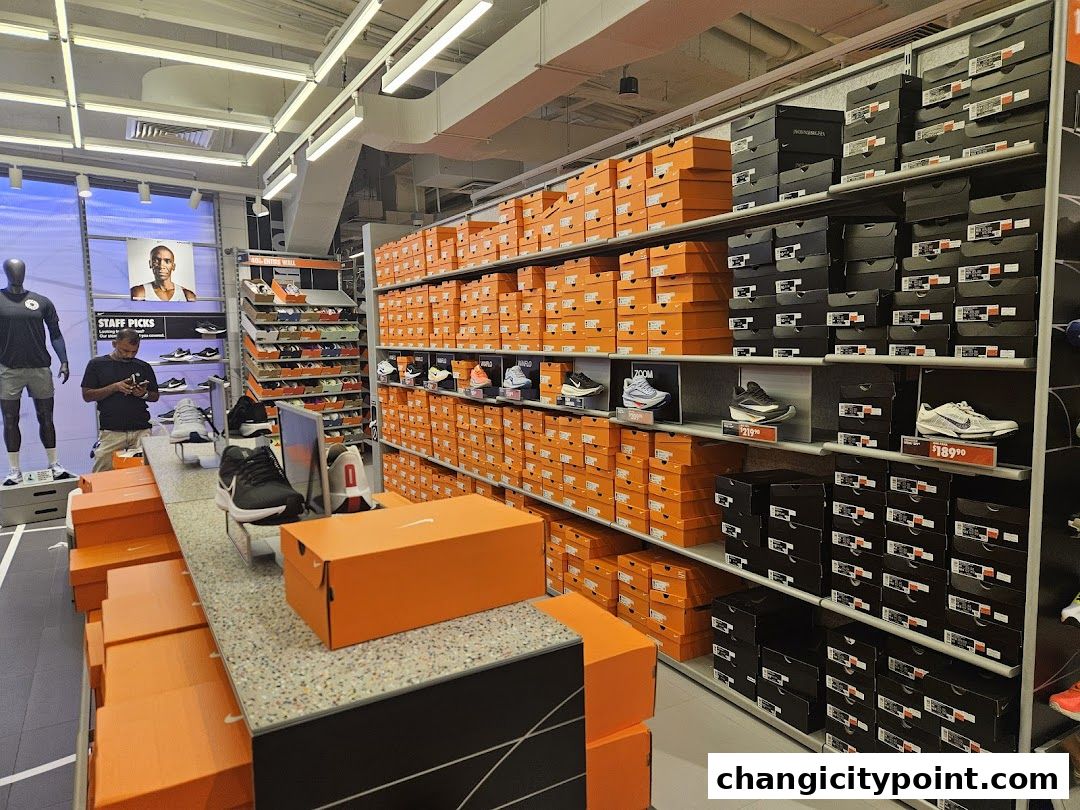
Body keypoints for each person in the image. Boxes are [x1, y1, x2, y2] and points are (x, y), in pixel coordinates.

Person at [0, 258, 71, 485]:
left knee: (46, 418)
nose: (16, 273)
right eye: (12, 270)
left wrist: (64, 360)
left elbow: (55, 334)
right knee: (10, 419)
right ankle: (14, 469)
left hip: (40, 367)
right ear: (6, 272)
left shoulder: (41, 302)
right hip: (8, 369)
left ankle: (54, 464)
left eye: (19, 269)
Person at [81, 329, 159, 472]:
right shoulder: (96, 364)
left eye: (134, 352)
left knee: (145, 476)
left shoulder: (143, 366)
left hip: (141, 430)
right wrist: (115, 387)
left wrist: (143, 394)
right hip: (111, 431)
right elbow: (87, 395)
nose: (128, 355)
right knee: (102, 476)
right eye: (124, 350)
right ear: (114, 343)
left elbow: (155, 396)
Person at [130, 245, 196, 302]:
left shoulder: (187, 294)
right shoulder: (139, 292)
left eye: (167, 261)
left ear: (173, 266)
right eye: (156, 261)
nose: (161, 266)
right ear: (150, 264)